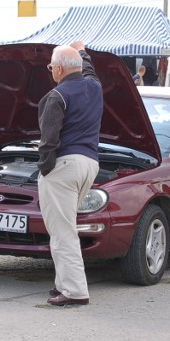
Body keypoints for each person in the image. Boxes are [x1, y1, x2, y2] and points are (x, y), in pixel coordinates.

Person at [38, 40, 102, 306]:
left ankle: (75, 291)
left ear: (60, 69)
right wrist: (83, 51)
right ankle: (62, 284)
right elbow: (89, 70)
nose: (51, 70)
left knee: (63, 231)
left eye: (52, 66)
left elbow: (48, 140)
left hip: (64, 166)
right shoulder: (94, 87)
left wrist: (44, 169)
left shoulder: (56, 96)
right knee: (63, 227)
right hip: (90, 163)